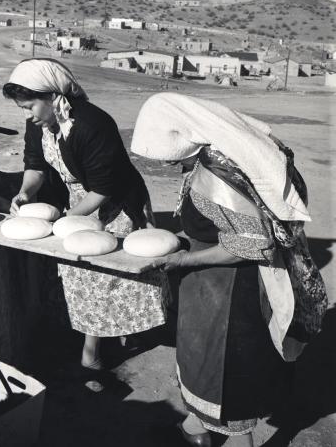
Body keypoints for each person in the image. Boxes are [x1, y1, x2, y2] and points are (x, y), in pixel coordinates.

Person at [131, 93, 327, 446]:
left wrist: (182, 259)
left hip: (230, 299)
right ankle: (196, 431)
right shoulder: (216, 155)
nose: (165, 165)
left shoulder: (214, 178)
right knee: (201, 366)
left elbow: (254, 243)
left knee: (227, 385)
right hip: (210, 291)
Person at [2, 58, 169, 377]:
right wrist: (25, 193)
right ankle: (101, 338)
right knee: (84, 274)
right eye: (23, 108)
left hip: (116, 202)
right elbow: (35, 165)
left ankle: (95, 351)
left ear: (52, 96)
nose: (28, 115)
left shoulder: (92, 124)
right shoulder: (38, 124)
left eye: (30, 106)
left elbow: (105, 187)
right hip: (79, 200)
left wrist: (65, 220)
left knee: (112, 273)